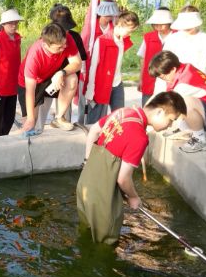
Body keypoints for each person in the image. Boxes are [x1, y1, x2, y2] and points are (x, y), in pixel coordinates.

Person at [76, 91, 187, 244]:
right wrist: (133, 197)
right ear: (160, 112)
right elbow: (123, 178)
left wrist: (87, 160)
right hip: (102, 197)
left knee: (86, 232)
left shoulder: (122, 112)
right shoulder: (140, 137)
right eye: (171, 120)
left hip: (84, 185)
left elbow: (94, 130)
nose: (170, 126)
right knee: (106, 241)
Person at [149, 50, 206, 153]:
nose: (163, 79)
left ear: (173, 69)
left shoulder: (184, 84)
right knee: (179, 101)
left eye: (163, 76)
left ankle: (199, 140)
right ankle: (184, 129)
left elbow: (167, 104)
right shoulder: (183, 69)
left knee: (185, 101)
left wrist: (153, 122)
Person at [18, 23, 82, 135]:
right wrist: (31, 118)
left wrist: (62, 72)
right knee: (30, 123)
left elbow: (77, 63)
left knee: (72, 78)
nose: (64, 48)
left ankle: (59, 118)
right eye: (59, 47)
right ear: (46, 45)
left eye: (64, 44)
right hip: (30, 83)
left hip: (50, 76)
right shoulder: (34, 56)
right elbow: (30, 91)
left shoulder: (67, 39)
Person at [85, 11, 140, 125]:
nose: (130, 33)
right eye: (129, 30)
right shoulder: (102, 40)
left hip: (117, 82)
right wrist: (90, 89)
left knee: (119, 116)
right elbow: (93, 66)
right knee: (96, 119)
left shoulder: (123, 40)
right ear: (119, 25)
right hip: (101, 83)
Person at [0, 8, 23, 137]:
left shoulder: (17, 38)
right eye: (10, 23)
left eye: (16, 22)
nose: (14, 25)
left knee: (9, 117)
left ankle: (3, 137)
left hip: (13, 86)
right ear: (3, 24)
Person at [48, 4, 88, 127]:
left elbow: (82, 58)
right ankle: (56, 119)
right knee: (52, 100)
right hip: (52, 76)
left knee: (67, 101)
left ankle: (63, 119)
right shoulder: (48, 36)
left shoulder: (75, 36)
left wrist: (83, 74)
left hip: (70, 74)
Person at [162, 6, 206, 74]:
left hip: (197, 77)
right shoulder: (173, 38)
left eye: (190, 24)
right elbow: (163, 60)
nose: (187, 27)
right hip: (176, 77)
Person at [136, 7, 173, 106]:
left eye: (162, 23)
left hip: (170, 79)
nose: (158, 25)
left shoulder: (177, 36)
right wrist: (141, 79)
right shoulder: (148, 37)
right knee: (148, 107)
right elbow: (143, 59)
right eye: (156, 23)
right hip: (150, 79)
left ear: (169, 22)